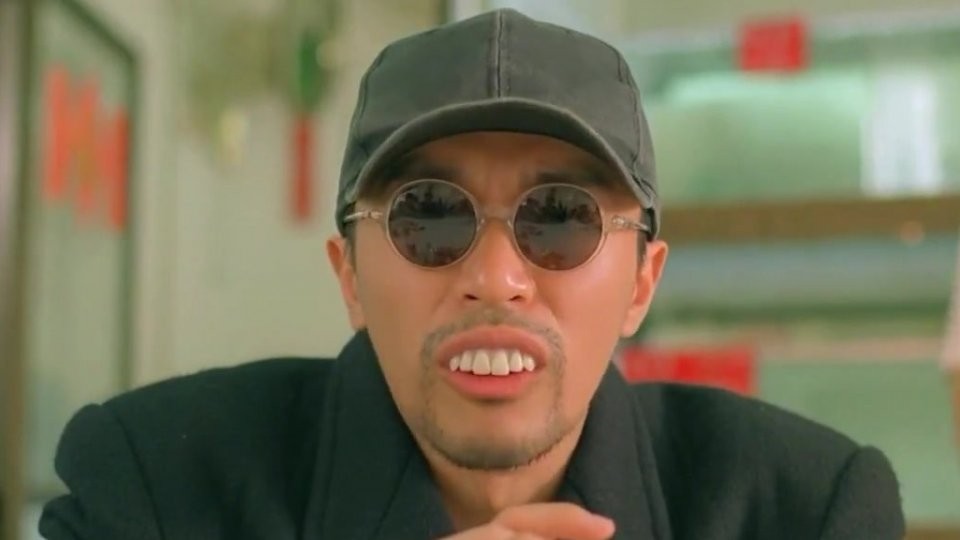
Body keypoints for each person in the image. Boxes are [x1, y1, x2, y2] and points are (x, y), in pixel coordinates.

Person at [39, 9, 905, 540]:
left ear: (643, 283)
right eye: (429, 216)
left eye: (559, 219)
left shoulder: (804, 509)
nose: (495, 277)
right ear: (349, 276)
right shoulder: (153, 489)